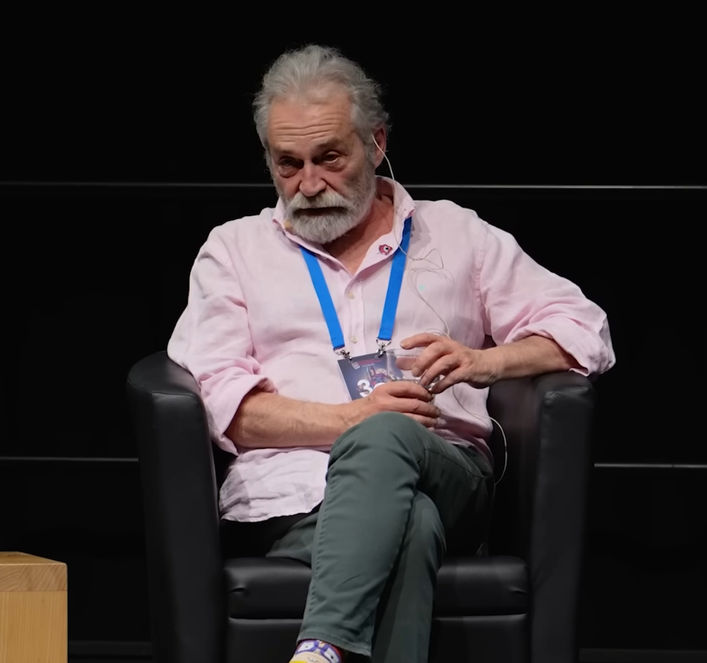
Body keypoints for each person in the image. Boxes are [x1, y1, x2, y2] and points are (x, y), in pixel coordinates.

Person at [167, 43, 615, 663]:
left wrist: (485, 361)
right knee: (411, 522)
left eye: (329, 158)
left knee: (390, 441)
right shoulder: (233, 251)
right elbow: (224, 403)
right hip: (293, 498)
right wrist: (353, 418)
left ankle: (320, 648)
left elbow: (585, 328)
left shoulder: (454, 234)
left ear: (376, 143)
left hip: (446, 470)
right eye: (288, 164)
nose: (309, 184)